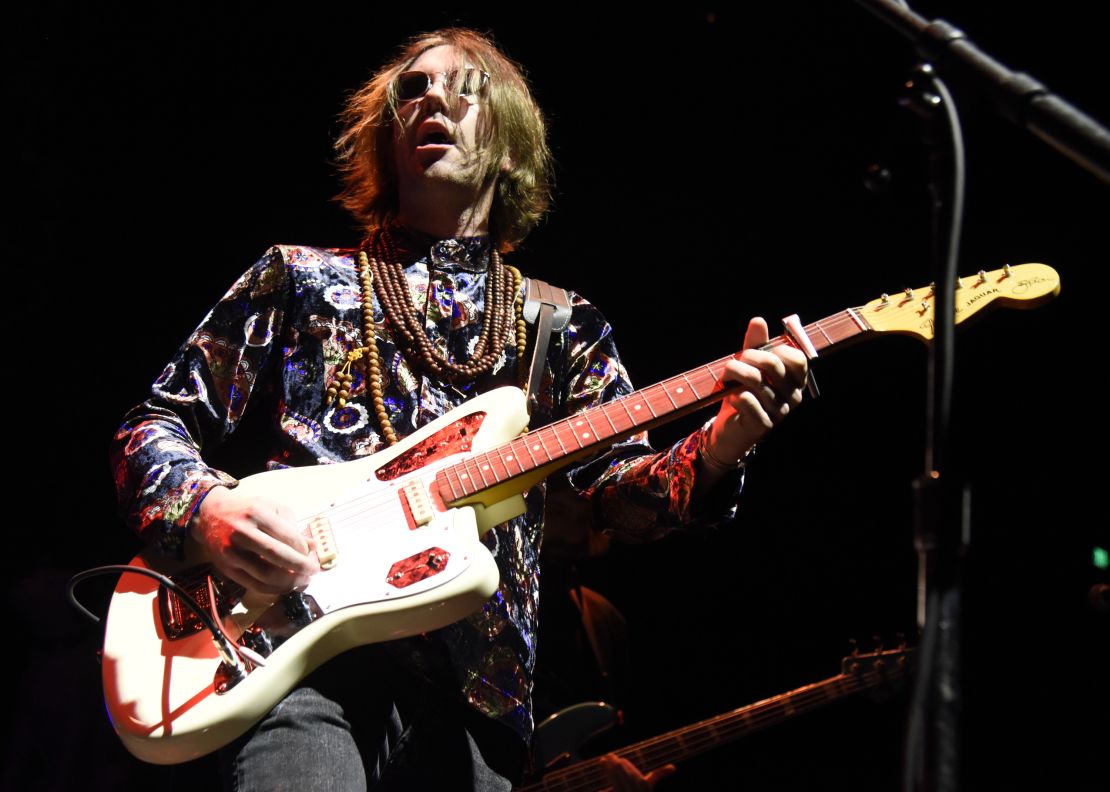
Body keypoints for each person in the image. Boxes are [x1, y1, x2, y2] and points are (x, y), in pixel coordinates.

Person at [110, 27, 807, 791]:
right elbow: (154, 426)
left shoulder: (562, 324)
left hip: (480, 694)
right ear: (389, 140)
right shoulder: (300, 278)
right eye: (412, 89)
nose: (432, 96)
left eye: (463, 86)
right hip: (295, 655)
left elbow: (612, 498)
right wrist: (210, 510)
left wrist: (720, 447)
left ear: (509, 146)